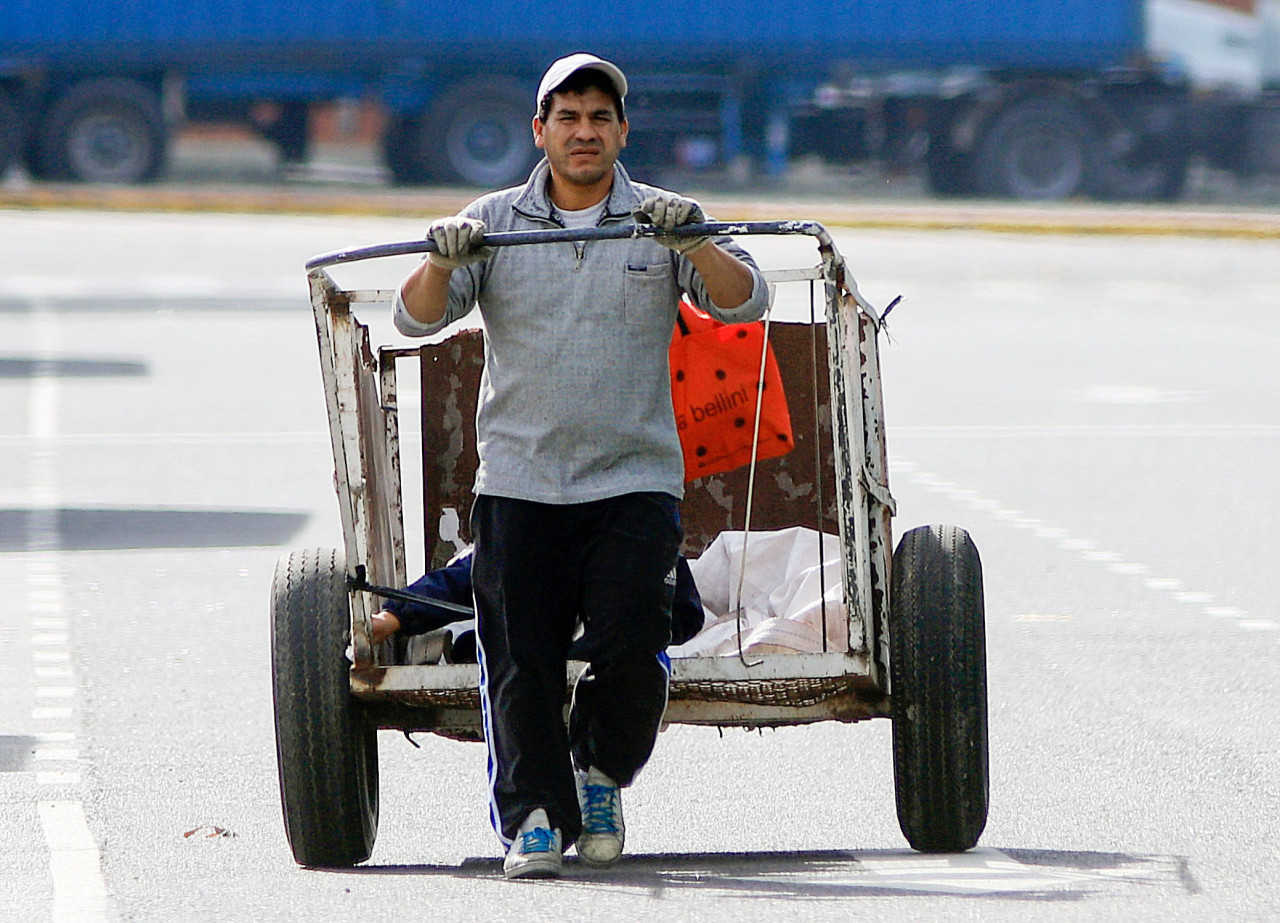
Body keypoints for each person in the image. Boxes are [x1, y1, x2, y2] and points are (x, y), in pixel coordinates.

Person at [387, 51, 769, 879]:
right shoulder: (492, 217)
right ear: (541, 131)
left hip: (634, 480)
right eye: (568, 117)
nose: (585, 131)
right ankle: (531, 818)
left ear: (623, 131)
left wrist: (697, 246)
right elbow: (413, 319)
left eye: (600, 117)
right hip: (521, 483)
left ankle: (601, 774)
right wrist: (443, 261)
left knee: (635, 640)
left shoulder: (664, 215)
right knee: (518, 658)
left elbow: (744, 300)